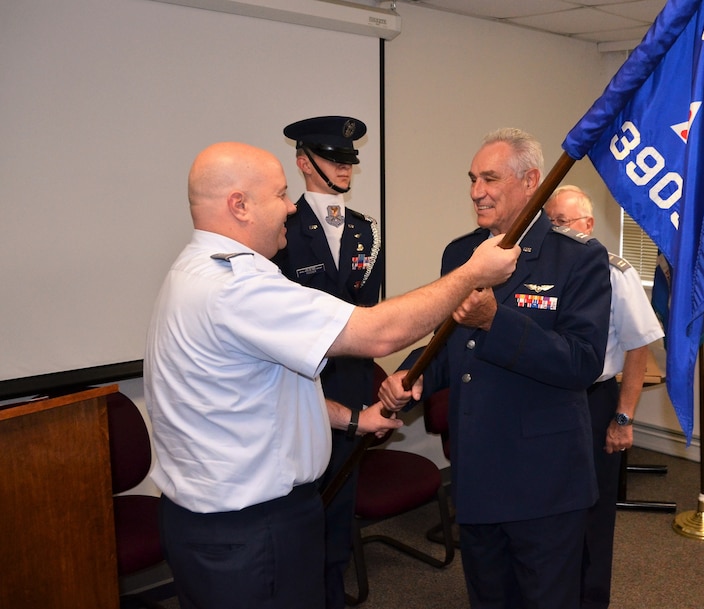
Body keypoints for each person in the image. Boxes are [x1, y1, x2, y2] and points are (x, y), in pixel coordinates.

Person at [143, 141, 520, 609]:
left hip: (221, 523)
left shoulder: (195, 271)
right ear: (239, 205)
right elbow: (378, 334)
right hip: (251, 530)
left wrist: (352, 420)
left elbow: (262, 393)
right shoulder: (235, 287)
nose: (289, 207)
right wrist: (471, 274)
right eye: (280, 194)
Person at [378, 128, 612, 609]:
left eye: (489, 178)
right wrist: (416, 373)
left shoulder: (579, 260)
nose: (475, 191)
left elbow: (581, 363)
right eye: (471, 179)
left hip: (543, 484)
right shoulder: (461, 253)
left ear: (530, 181)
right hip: (477, 471)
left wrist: (496, 322)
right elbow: (450, 343)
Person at [272, 115, 384, 609]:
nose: (344, 168)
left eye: (348, 161)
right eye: (334, 159)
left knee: (339, 506)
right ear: (304, 162)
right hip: (299, 386)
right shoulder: (281, 231)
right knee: (299, 510)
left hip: (353, 386)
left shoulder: (366, 232)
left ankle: (333, 594)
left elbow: (366, 317)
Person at [544, 185, 664, 609]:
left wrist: (623, 417)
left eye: (562, 222)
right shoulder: (538, 266)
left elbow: (638, 345)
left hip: (593, 402)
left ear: (588, 226)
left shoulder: (615, 272)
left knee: (594, 512)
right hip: (545, 401)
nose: (553, 230)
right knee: (547, 508)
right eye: (549, 222)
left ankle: (590, 598)